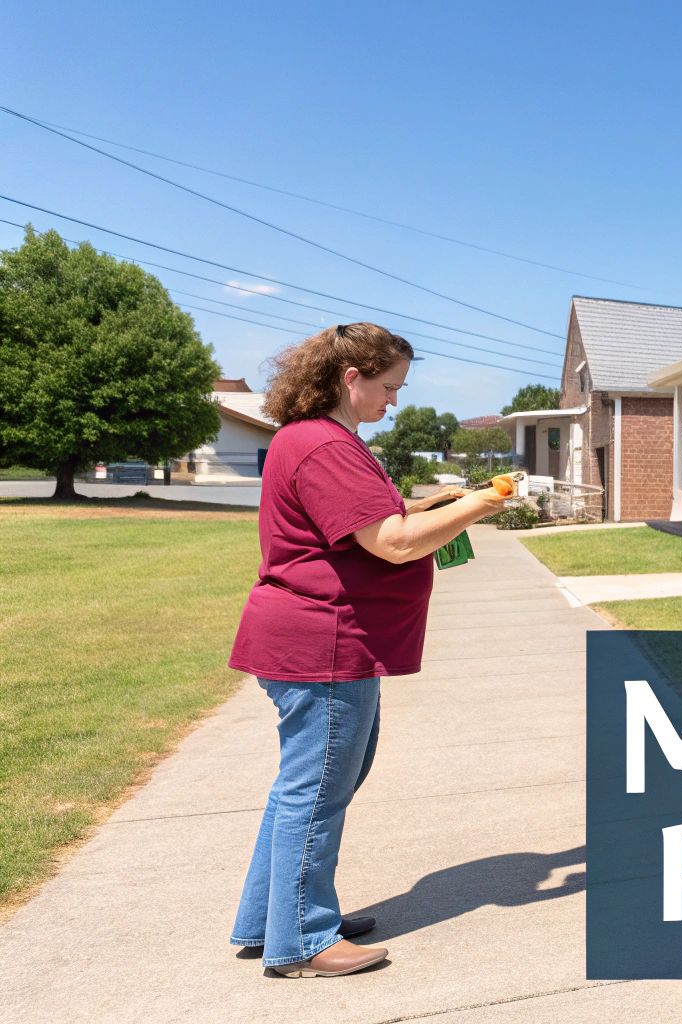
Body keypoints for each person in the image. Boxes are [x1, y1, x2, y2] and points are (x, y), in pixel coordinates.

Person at [226, 323, 509, 978]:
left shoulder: (321, 441)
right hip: (322, 643)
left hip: (324, 641)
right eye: (389, 387)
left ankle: (269, 919)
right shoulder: (322, 446)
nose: (394, 401)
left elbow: (376, 517)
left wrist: (443, 500)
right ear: (351, 379)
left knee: (307, 786)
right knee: (317, 790)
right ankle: (300, 938)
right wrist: (477, 508)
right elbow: (394, 541)